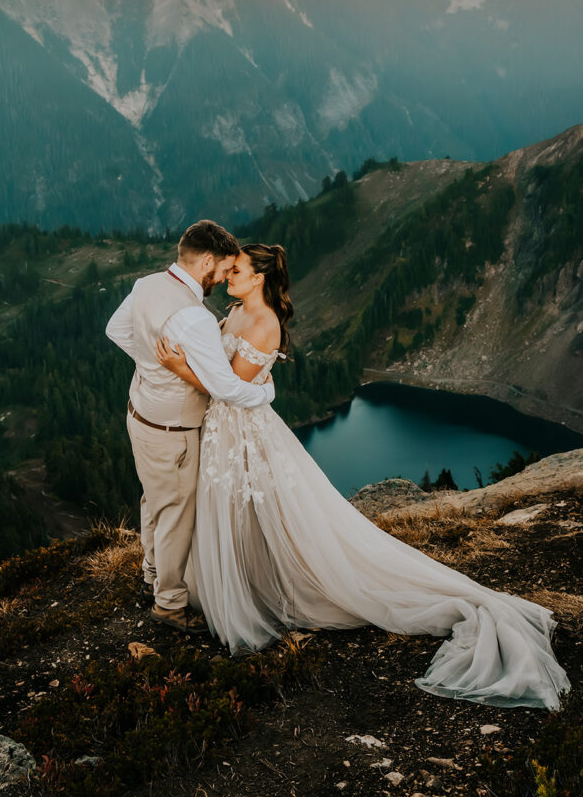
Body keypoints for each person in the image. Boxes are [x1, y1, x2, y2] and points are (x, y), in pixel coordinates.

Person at [154, 242, 571, 711]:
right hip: (223, 432)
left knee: (262, 507)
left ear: (260, 279)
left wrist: (179, 367)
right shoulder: (234, 310)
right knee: (238, 510)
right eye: (229, 269)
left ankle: (266, 591)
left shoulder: (266, 323)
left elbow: (228, 387)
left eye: (238, 270)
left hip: (241, 432)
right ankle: (249, 582)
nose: (228, 275)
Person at [105, 220, 276, 634]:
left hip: (140, 413)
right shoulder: (195, 317)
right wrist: (266, 395)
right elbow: (225, 387)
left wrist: (150, 365)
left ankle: (150, 574)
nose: (223, 276)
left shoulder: (147, 284)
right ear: (205, 261)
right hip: (172, 429)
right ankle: (168, 605)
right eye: (222, 269)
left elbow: (115, 329)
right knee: (176, 515)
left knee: (155, 500)